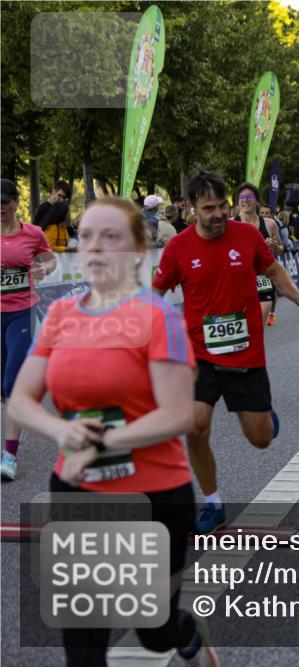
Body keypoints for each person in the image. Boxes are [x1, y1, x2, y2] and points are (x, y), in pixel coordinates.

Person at [7, 197, 220, 666]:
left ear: (139, 252)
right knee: (83, 644)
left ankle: (184, 633)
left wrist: (100, 440)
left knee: (154, 630)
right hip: (79, 488)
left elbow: (178, 413)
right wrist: (62, 432)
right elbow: (22, 399)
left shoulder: (156, 316)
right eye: (86, 237)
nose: (96, 247)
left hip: (155, 495)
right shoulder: (61, 315)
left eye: (111, 237)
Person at [152, 171, 299, 534]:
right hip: (199, 354)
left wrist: (298, 297)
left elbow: (273, 269)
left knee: (260, 439)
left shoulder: (246, 236)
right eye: (208, 208)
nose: (218, 214)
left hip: (245, 354)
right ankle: (213, 504)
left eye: (222, 206)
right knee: (195, 428)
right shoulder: (178, 247)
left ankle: (264, 415)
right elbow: (156, 290)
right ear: (191, 208)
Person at [1, 178, 57, 480]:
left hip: (21, 313)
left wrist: (43, 268)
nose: (0, 209)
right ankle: (16, 420)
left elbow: (50, 259)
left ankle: (8, 454)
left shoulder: (32, 233)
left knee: (13, 384)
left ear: (14, 203)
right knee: (2, 388)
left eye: (5, 203)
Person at [234, 183, 283, 326]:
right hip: (240, 279)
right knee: (242, 328)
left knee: (258, 326)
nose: (245, 200)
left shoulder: (269, 224)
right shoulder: (231, 224)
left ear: (257, 201)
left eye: (249, 196)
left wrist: (274, 246)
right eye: (242, 197)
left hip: (263, 279)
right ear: (238, 202)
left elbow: (281, 248)